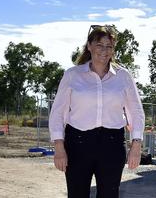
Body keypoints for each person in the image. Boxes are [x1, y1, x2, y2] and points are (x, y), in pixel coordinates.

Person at [49, 25, 145, 198]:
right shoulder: (72, 75)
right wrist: (59, 147)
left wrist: (136, 145)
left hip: (112, 144)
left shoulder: (124, 76)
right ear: (89, 46)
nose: (104, 50)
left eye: (109, 46)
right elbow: (57, 112)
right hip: (77, 144)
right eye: (99, 45)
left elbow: (136, 111)